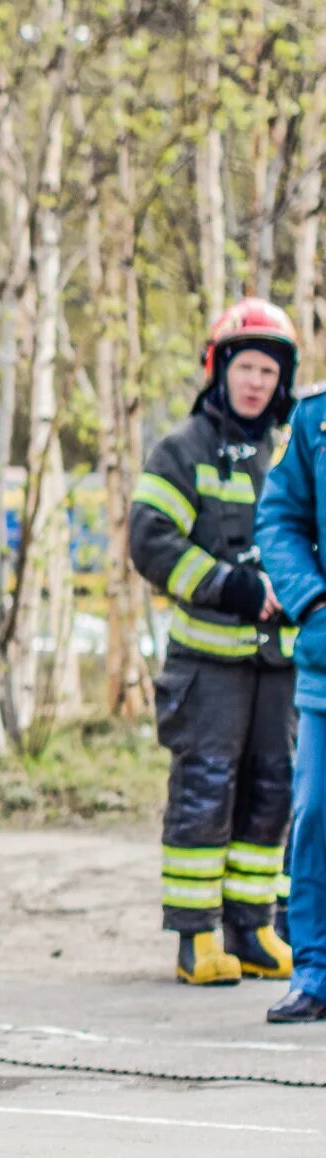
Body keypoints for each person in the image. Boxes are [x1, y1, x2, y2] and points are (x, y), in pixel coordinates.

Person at [128, 299, 298, 987]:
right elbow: (150, 538)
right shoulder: (181, 449)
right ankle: (195, 936)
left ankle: (252, 928)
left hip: (278, 661)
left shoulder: (291, 453)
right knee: (204, 793)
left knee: (272, 790)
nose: (256, 382)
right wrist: (229, 586)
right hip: (208, 667)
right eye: (245, 367)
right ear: (219, 369)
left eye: (268, 370)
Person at [256, 379, 326, 1021]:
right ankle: (316, 973)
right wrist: (311, 599)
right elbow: (280, 518)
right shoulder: (316, 415)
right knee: (316, 818)